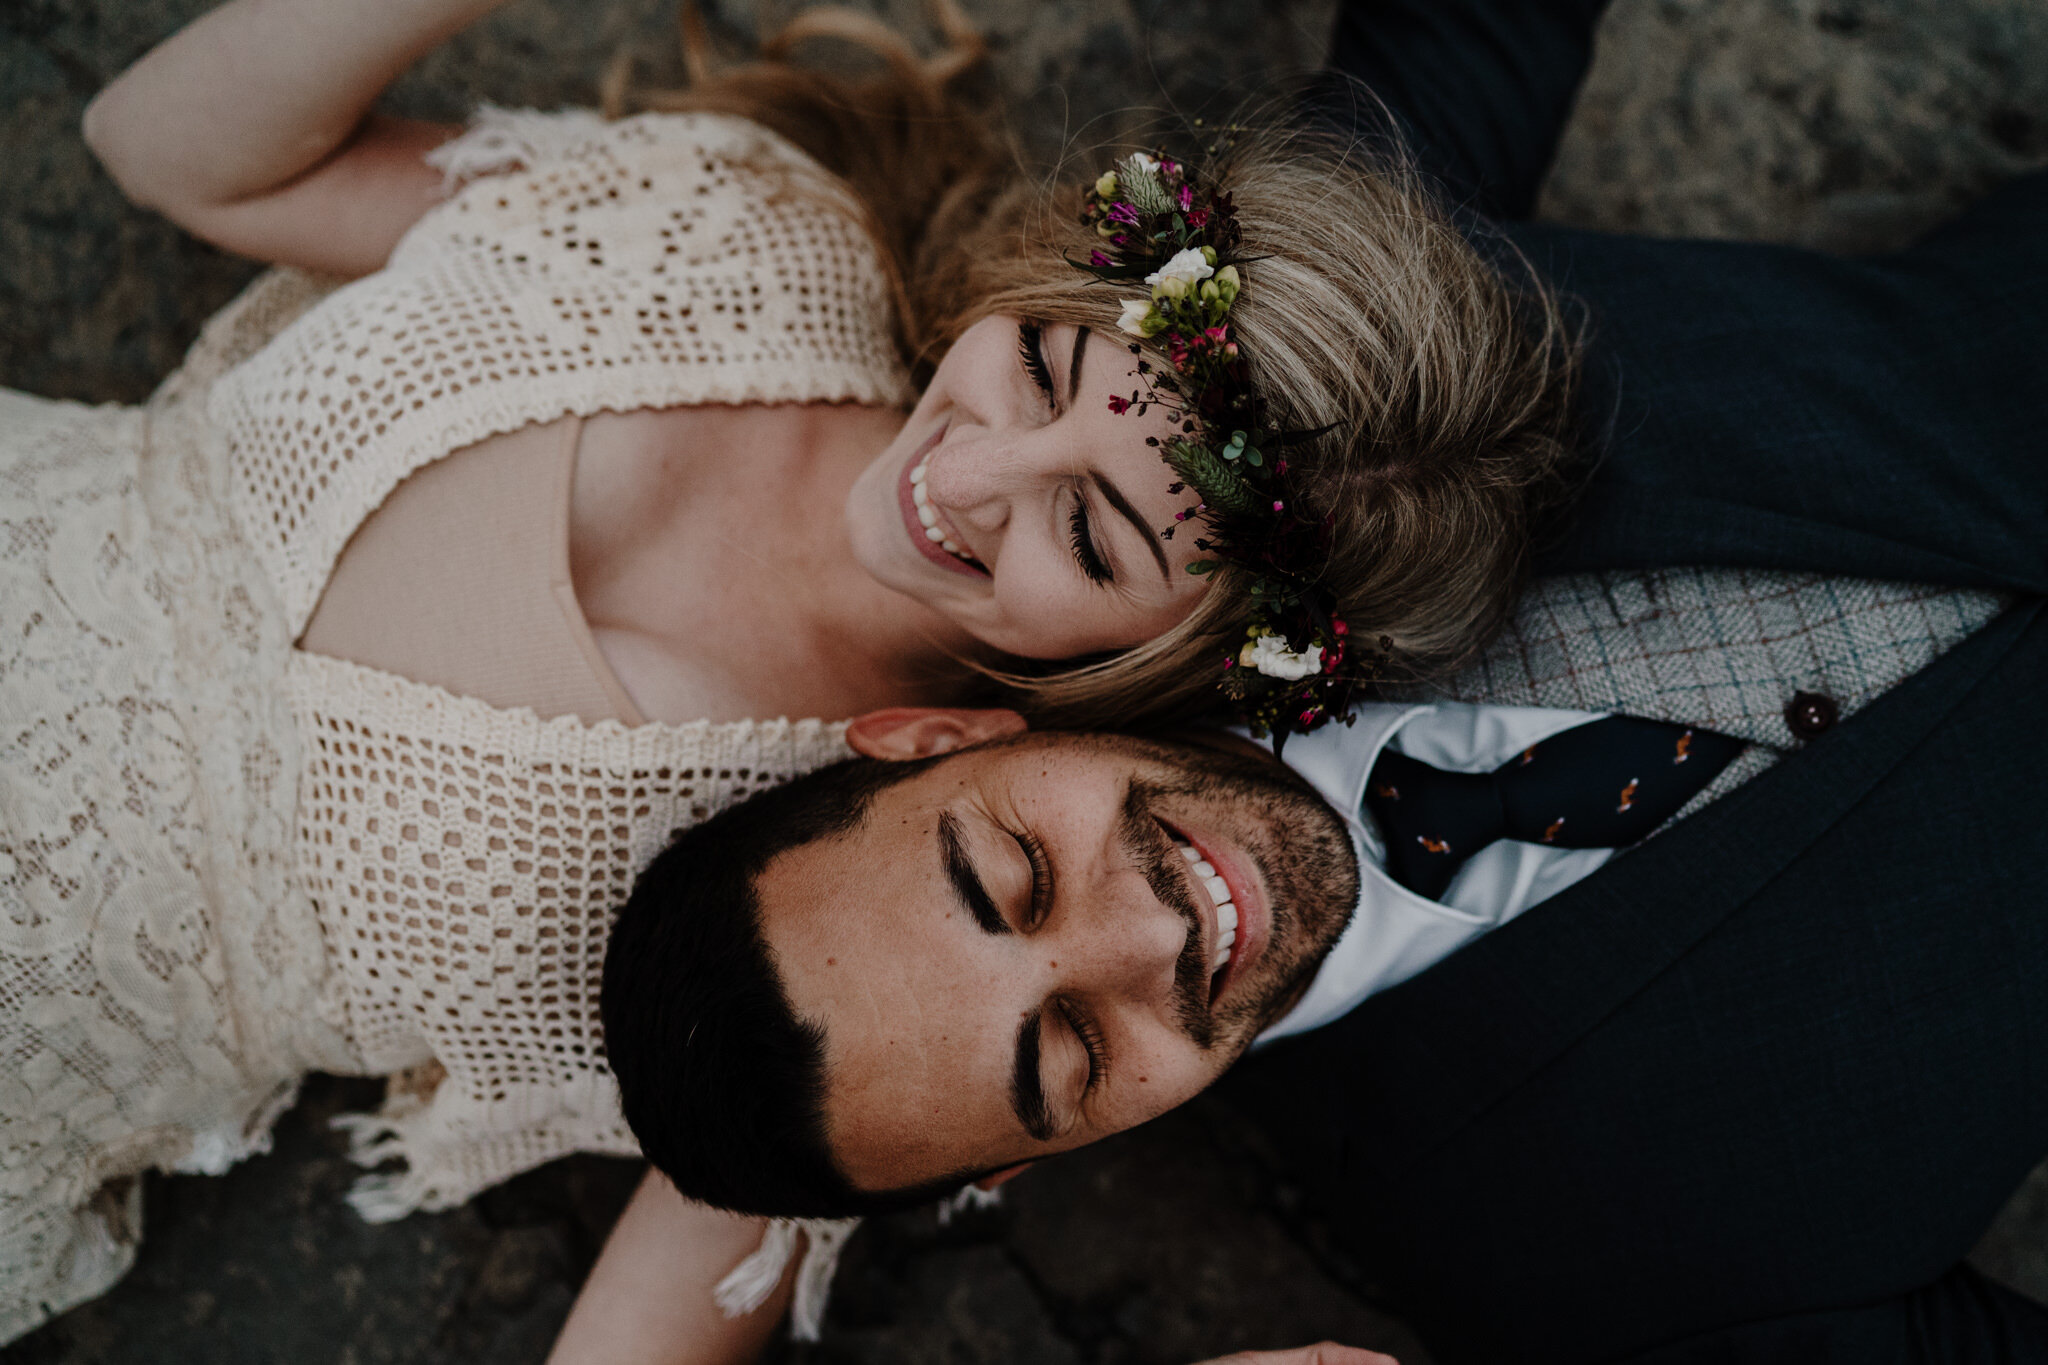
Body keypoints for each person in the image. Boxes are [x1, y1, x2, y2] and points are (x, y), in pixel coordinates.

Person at [0, 0, 1586, 1346]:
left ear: (1170, 654)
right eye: (1040, 367)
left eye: (1087, 538)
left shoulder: (869, 909)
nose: (967, 478)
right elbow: (166, 149)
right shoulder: (764, 234)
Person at [591, 0, 2048, 1358]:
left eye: (1018, 872)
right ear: (1041, 1160)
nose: (1145, 935)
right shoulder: (1578, 1271)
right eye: (1067, 1050)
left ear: (938, 736)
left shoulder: (1255, 354)